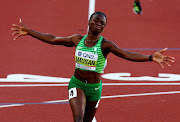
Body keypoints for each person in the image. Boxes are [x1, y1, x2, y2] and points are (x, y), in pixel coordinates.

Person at [11, 12, 174, 122]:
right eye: (95, 20)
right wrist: (29, 31)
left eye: (101, 23)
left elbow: (126, 54)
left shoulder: (106, 45)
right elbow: (53, 39)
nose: (98, 23)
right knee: (78, 119)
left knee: (87, 120)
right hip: (77, 84)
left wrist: (150, 57)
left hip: (95, 89)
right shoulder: (77, 40)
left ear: (104, 28)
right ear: (89, 22)